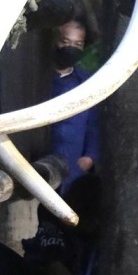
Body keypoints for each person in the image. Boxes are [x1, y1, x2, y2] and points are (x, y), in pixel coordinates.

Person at [47, 17, 98, 193]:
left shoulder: (87, 82)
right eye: (66, 41)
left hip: (73, 169)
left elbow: (95, 125)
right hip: (37, 163)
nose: (71, 48)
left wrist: (89, 158)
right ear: (55, 40)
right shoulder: (36, 78)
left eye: (78, 44)